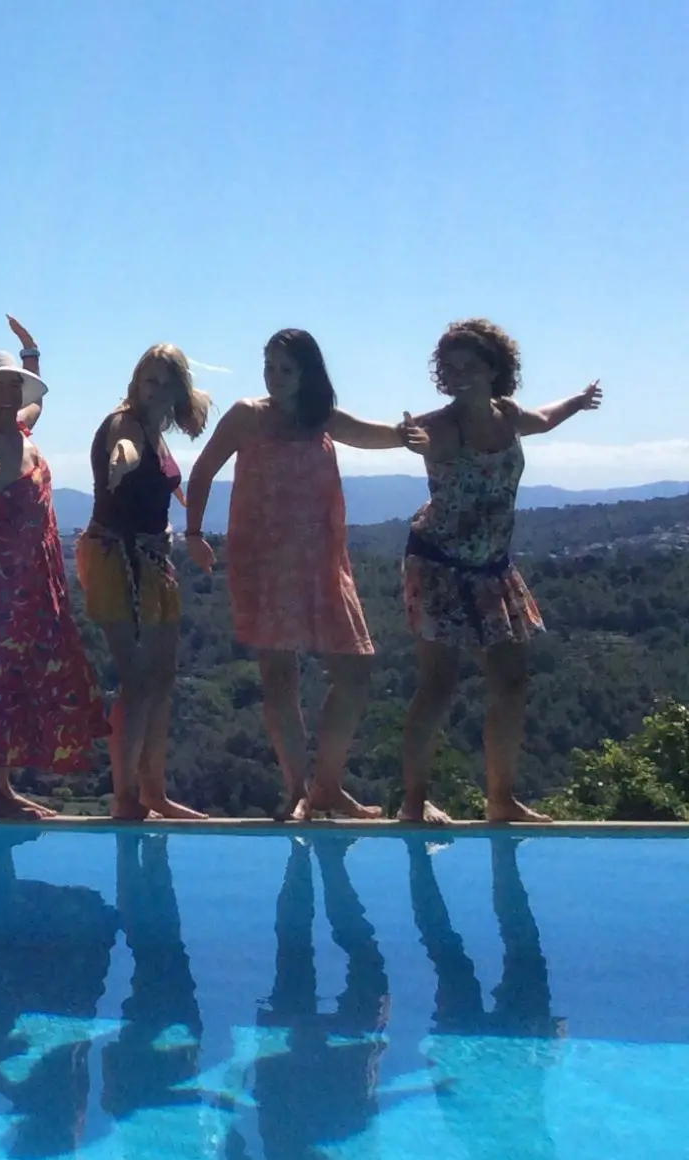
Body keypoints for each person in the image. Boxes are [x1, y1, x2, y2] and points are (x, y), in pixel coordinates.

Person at [183, 328, 424, 820]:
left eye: (285, 369)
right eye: (268, 367)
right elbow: (203, 470)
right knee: (280, 676)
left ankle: (328, 786)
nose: (274, 378)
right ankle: (297, 790)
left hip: (322, 563)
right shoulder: (247, 416)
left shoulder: (322, 417)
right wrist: (193, 533)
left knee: (354, 671)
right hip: (264, 562)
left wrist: (408, 435)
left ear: (307, 373)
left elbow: (371, 434)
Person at [396, 319, 601, 825]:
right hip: (438, 565)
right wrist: (410, 439)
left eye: (469, 365)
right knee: (439, 684)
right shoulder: (440, 427)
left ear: (494, 369)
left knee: (510, 682)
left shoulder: (509, 416)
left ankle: (501, 798)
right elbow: (410, 437)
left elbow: (545, 419)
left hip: (492, 567)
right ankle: (413, 802)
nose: (458, 375)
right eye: (450, 368)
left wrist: (578, 401)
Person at [0, 316, 105, 819]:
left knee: (17, 680)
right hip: (1, 584)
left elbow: (38, 401)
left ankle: (0, 789)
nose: (9, 395)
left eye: (12, 386)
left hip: (33, 578)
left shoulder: (20, 427)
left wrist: (31, 352)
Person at [76, 345, 214, 822]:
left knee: (161, 678)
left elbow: (156, 472)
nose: (154, 389)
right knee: (136, 680)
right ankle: (125, 795)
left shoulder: (157, 429)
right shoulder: (126, 425)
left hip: (153, 558)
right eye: (148, 380)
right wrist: (122, 459)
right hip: (116, 559)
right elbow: (125, 448)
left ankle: (153, 789)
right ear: (135, 382)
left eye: (164, 382)